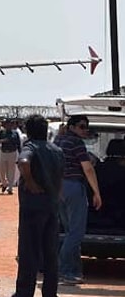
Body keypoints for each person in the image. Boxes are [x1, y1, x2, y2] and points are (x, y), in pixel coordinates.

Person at [0, 114, 64, 297]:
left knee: (28, 254)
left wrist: (31, 182)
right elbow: (61, 175)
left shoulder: (30, 147)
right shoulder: (57, 150)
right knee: (50, 255)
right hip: (51, 207)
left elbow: (24, 162)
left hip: (32, 208)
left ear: (28, 131)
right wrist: (56, 194)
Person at [53, 115, 102, 285]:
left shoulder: (58, 140)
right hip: (73, 187)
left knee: (69, 232)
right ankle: (64, 270)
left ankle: (73, 272)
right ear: (71, 127)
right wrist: (96, 193)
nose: (85, 129)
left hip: (58, 189)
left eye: (86, 126)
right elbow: (88, 169)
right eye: (81, 126)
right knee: (76, 233)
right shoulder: (76, 143)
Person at [0, 120, 21, 194]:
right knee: (1, 171)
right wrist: (3, 141)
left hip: (12, 153)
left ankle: (10, 188)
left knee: (11, 171)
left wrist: (20, 155)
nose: (9, 125)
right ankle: (4, 183)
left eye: (10, 124)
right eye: (7, 124)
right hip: (3, 152)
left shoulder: (15, 133)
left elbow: (18, 144)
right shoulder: (2, 132)